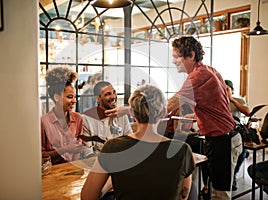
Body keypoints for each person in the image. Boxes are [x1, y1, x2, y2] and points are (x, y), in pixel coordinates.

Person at [104, 36, 242, 200]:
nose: (174, 61)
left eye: (177, 56)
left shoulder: (198, 76)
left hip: (223, 139)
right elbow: (217, 104)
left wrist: (128, 109)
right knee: (214, 189)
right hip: (222, 136)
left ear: (191, 55)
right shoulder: (209, 70)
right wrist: (198, 115)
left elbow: (166, 107)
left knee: (220, 194)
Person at [81, 84, 196, 200]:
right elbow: (183, 196)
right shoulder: (183, 150)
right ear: (163, 112)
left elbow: (87, 196)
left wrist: (110, 181)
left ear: (131, 112)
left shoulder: (113, 147)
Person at [41, 67, 87, 165]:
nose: (74, 100)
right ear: (56, 97)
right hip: (53, 172)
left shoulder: (78, 118)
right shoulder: (43, 122)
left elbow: (79, 147)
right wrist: (65, 149)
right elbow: (41, 155)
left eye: (74, 97)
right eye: (69, 97)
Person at [82, 81, 133, 156]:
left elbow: (130, 139)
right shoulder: (87, 118)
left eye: (114, 92)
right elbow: (87, 150)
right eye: (108, 94)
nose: (113, 96)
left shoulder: (121, 114)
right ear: (98, 99)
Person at [225, 79, 251, 191]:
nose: (224, 91)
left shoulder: (238, 100)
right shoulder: (218, 101)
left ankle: (233, 175)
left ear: (232, 90)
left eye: (227, 89)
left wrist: (231, 100)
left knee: (242, 150)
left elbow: (248, 112)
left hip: (236, 131)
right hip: (222, 132)